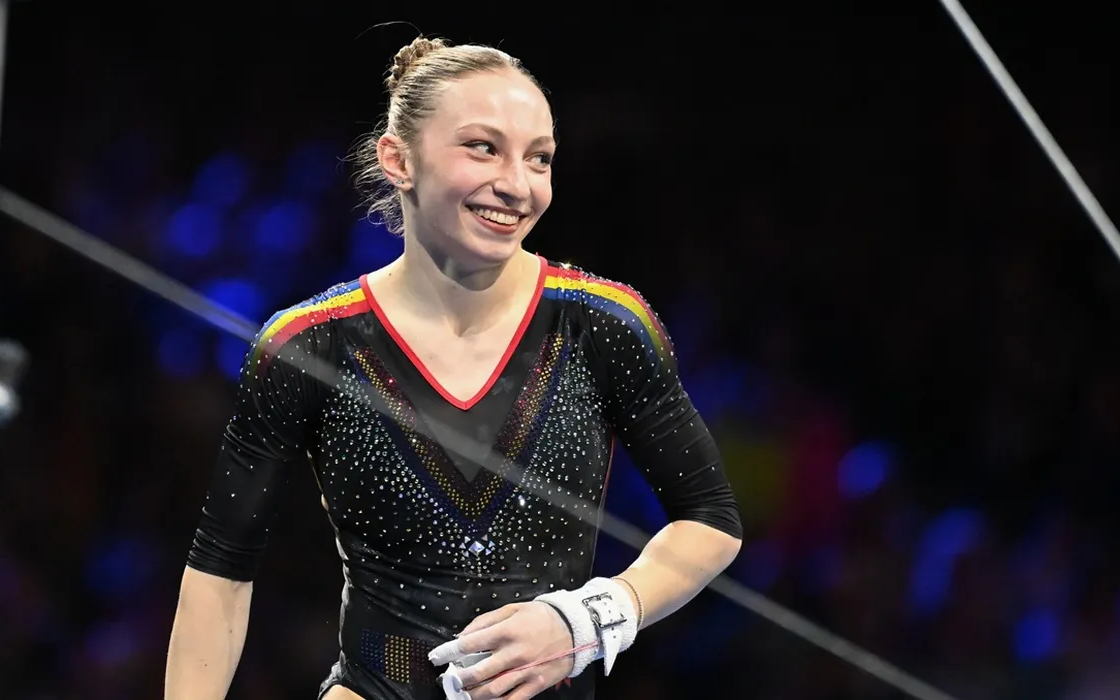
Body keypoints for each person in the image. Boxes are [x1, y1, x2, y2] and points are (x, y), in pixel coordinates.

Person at [163, 36, 743, 700]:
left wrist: (586, 620)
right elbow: (220, 573)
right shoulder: (310, 345)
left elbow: (711, 517)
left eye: (539, 158)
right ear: (398, 159)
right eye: (482, 147)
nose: (517, 185)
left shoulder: (601, 325)